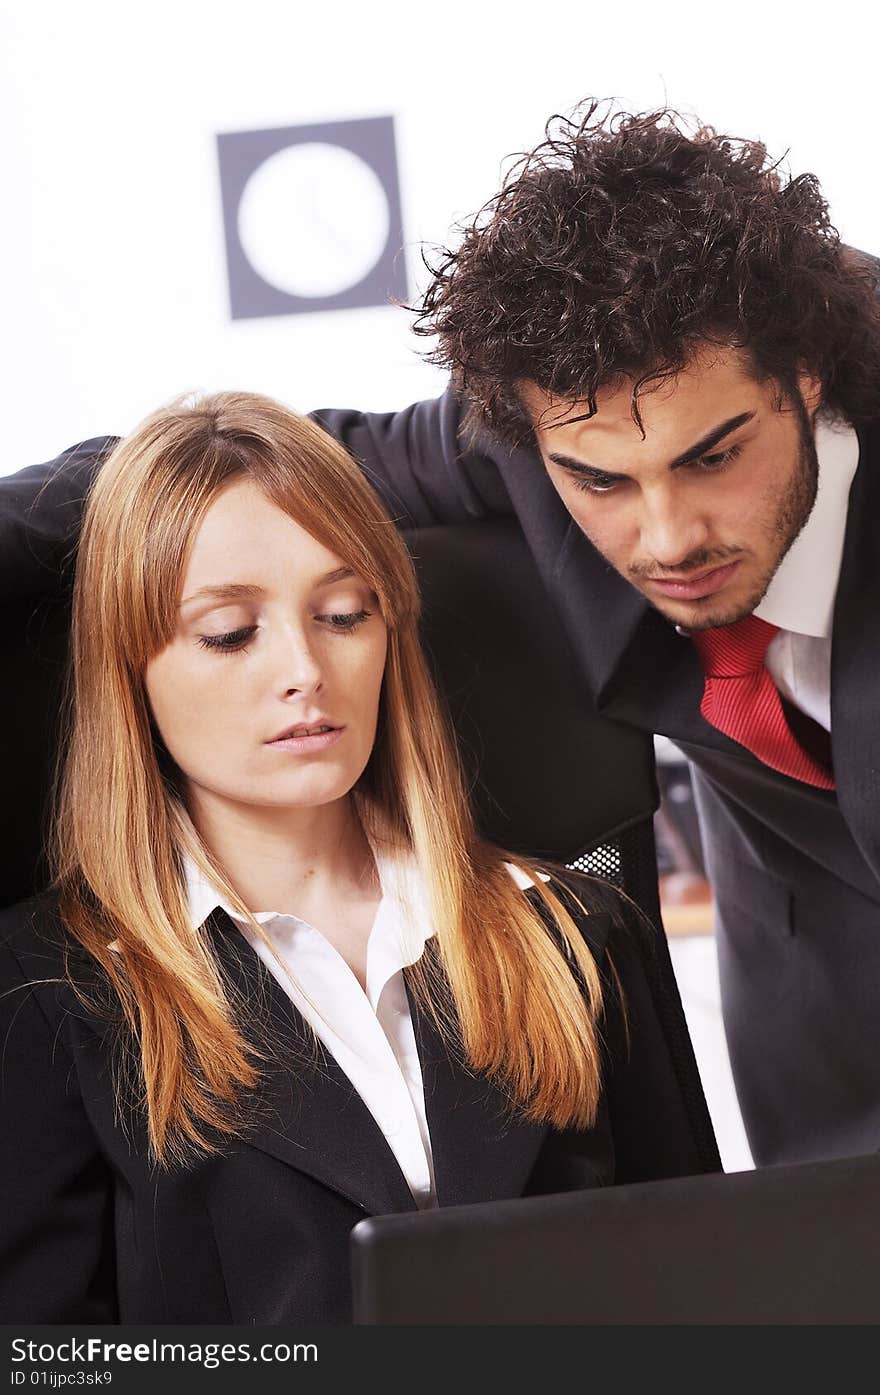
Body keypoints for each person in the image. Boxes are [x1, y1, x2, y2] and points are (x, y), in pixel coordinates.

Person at [4, 102, 877, 1170]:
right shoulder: (523, 434)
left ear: (808, 377)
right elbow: (265, 468)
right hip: (825, 1008)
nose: (665, 537)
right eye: (598, 480)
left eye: (714, 456)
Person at [0, 390, 713, 1325]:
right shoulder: (52, 991)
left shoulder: (578, 931)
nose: (304, 666)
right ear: (128, 666)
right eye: (230, 632)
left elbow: (709, 1292)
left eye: (343, 614)